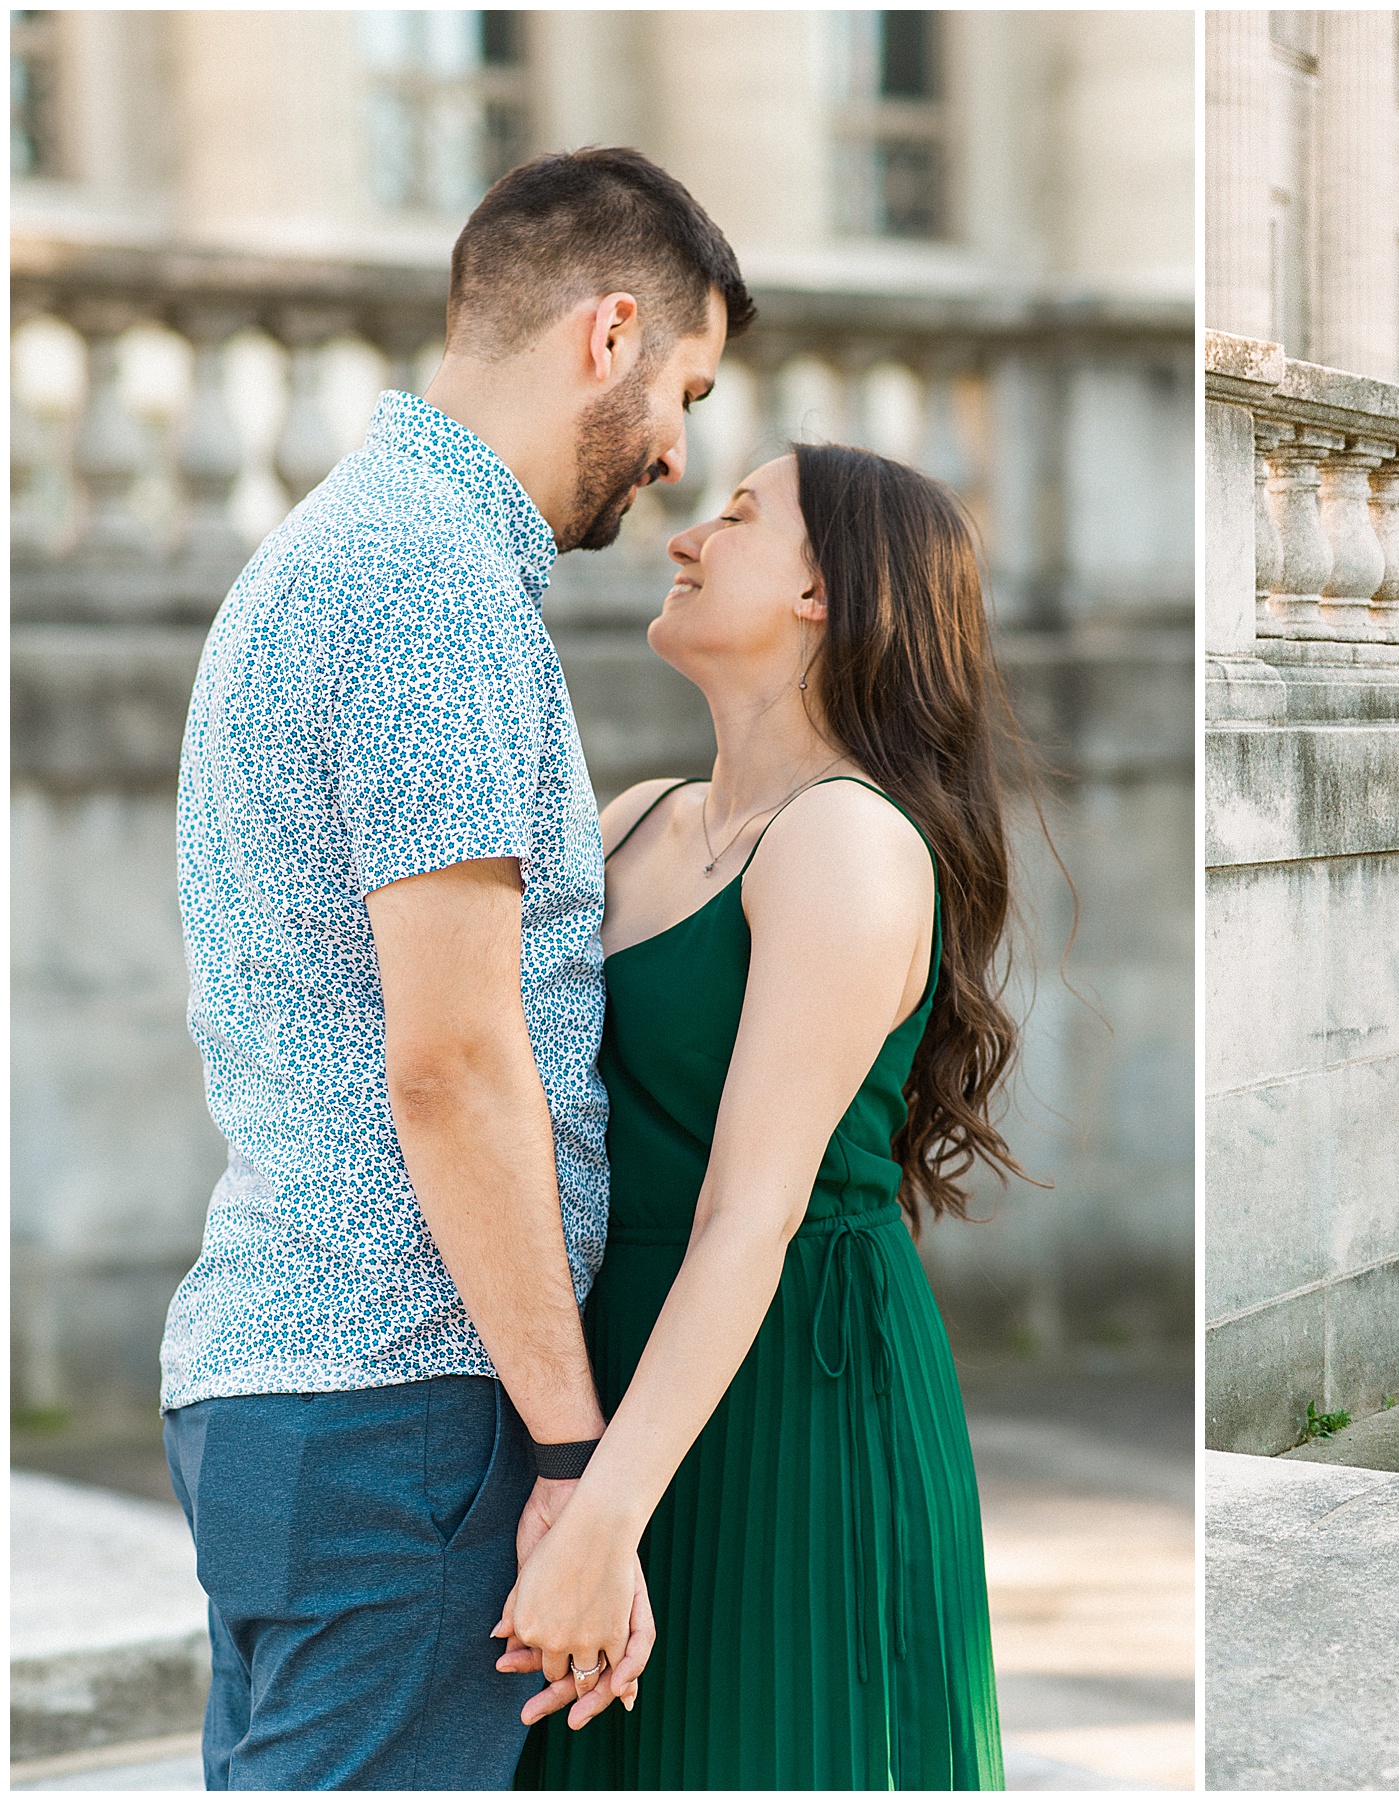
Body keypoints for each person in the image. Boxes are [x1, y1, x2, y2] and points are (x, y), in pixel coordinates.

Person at [160, 147, 750, 1787]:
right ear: (608, 329)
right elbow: (455, 1060)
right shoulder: (427, 583)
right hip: (403, 1400)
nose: (679, 451)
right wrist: (570, 1446)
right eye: (683, 388)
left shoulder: (353, 549)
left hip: (310, 1388)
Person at [503, 442, 1022, 1789]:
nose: (684, 537)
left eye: (736, 517)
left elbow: (752, 1212)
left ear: (827, 596)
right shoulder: (631, 821)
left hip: (795, 1389)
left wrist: (605, 1519)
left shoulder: (849, 842)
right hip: (615, 1376)